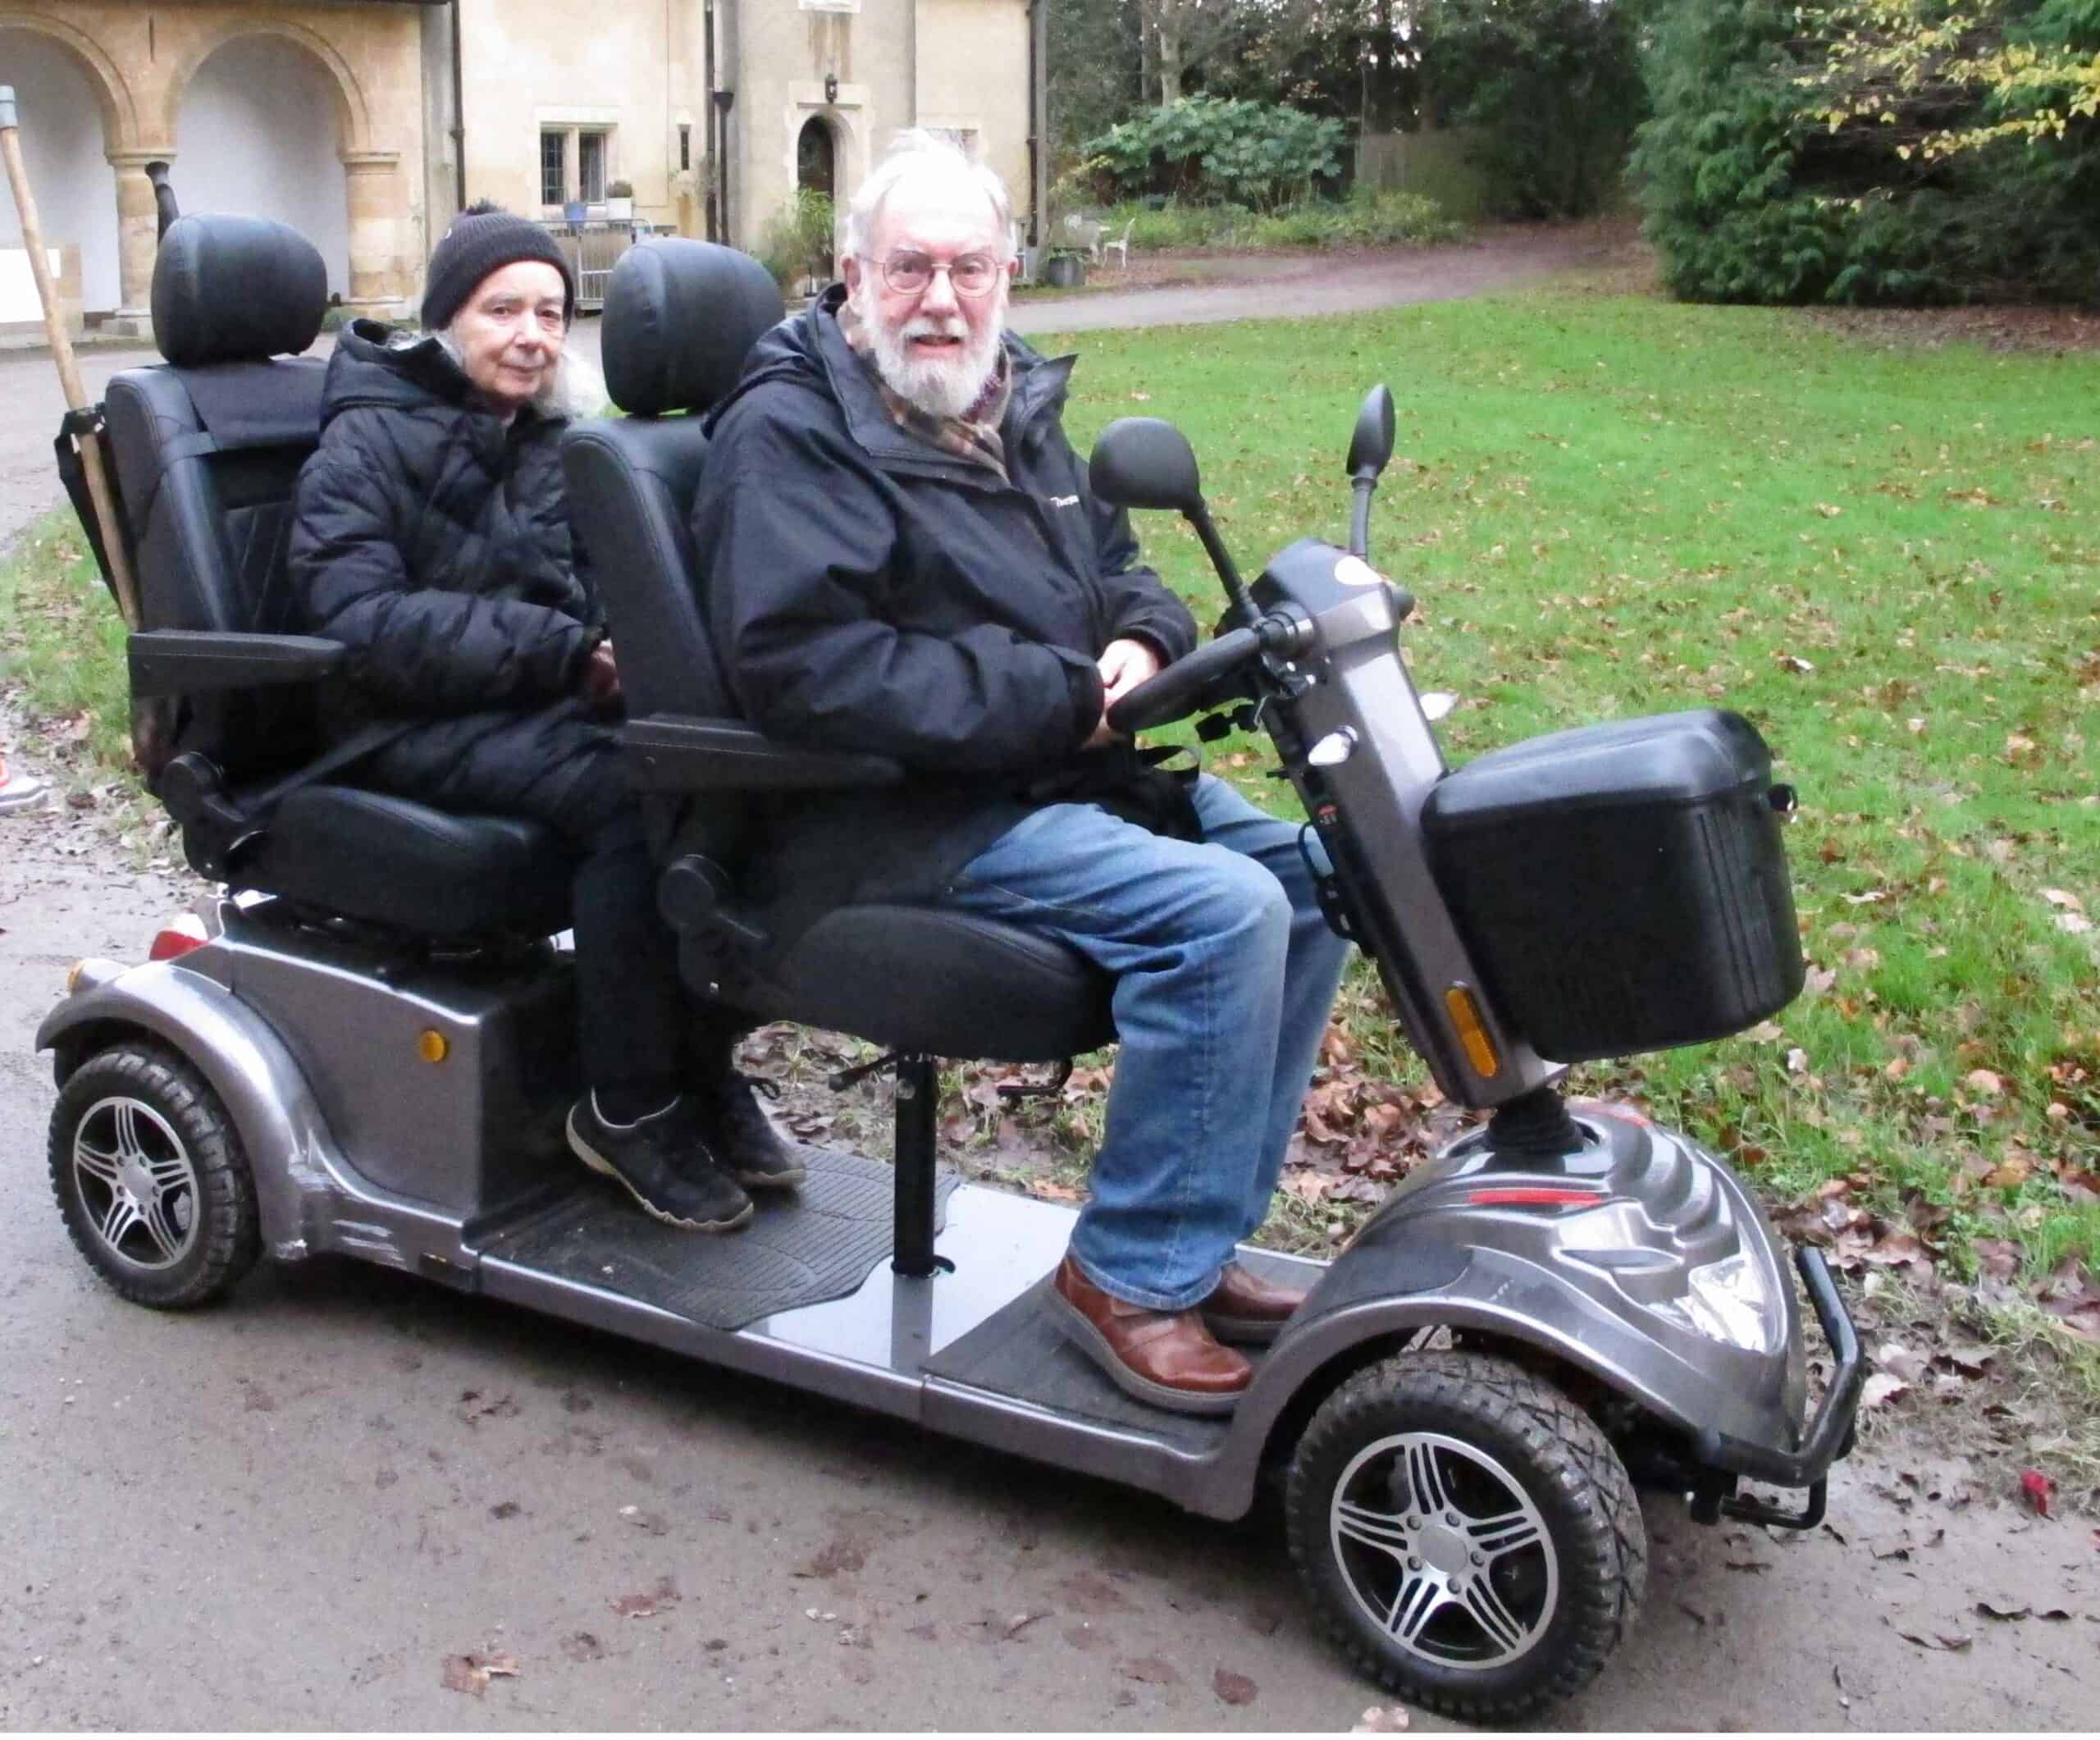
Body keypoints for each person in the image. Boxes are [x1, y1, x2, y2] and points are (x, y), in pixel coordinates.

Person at [691, 135, 1354, 1413]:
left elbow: (1124, 571)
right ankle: (1127, 1275)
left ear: (1008, 274)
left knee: (1326, 879)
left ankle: (1195, 1243)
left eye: (969, 268)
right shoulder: (790, 434)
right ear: (849, 275)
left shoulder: (1013, 407)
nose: (941, 299)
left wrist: (1136, 643)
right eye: (910, 269)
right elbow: (805, 668)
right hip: (889, 816)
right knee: (1225, 914)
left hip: (1053, 776)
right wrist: (1060, 698)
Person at [288, 201, 802, 1235]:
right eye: (501, 309)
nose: (531, 333)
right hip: (394, 726)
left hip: (529, 705)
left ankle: (699, 1066)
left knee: (719, 778)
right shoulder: (365, 441)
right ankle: (628, 1107)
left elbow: (596, 585)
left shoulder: (549, 435)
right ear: (447, 320)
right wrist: (568, 654)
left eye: (551, 312)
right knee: (630, 797)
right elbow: (358, 623)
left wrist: (634, 650)